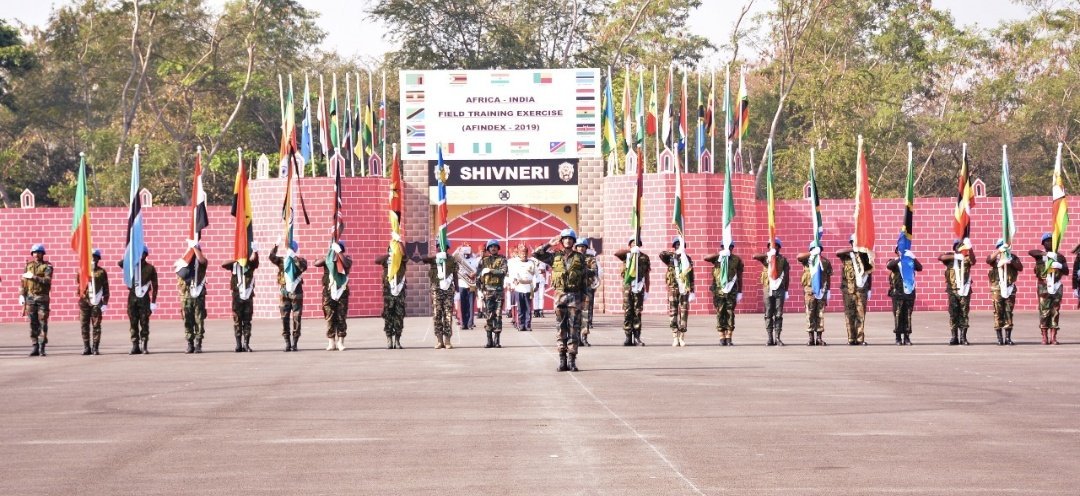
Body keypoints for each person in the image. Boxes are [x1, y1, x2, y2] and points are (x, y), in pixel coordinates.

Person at [533, 228, 588, 371]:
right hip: (560, 296)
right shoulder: (555, 256)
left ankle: (572, 360)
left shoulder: (580, 257)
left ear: (574, 241)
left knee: (574, 329)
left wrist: (584, 298)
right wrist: (549, 245)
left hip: (575, 296)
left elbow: (584, 279)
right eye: (565, 238)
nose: (568, 241)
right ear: (561, 241)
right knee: (560, 328)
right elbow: (536, 254)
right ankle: (562, 359)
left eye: (570, 239)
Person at [1029, 233, 1069, 345]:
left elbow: (1066, 271)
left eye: (1051, 240)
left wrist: (1059, 265)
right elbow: (1031, 252)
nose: (1049, 243)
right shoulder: (1039, 256)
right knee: (1044, 312)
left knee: (1055, 311)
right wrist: (1047, 254)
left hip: (1056, 286)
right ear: (1043, 243)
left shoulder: (1059, 257)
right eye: (1047, 241)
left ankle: (1053, 337)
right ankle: (1044, 337)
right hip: (1043, 286)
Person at [269, 241, 308, 352]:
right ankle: (287, 342)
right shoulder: (282, 260)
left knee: (297, 317)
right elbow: (271, 257)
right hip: (284, 292)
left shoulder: (301, 260)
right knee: (284, 318)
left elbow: (302, 267)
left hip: (296, 292)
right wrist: (276, 246)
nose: (289, 250)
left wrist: (294, 257)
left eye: (291, 248)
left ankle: (295, 343)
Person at [118, 247, 159, 355]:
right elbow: (120, 263)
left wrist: (153, 302)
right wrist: (130, 256)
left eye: (143, 254)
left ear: (146, 255)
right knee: (133, 323)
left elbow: (155, 285)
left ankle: (144, 345)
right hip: (132, 299)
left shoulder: (150, 268)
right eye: (139, 254)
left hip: (144, 299)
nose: (141, 256)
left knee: (144, 322)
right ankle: (135, 345)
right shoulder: (131, 266)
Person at [315, 241, 353, 351]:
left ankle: (340, 342)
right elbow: (316, 263)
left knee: (341, 317)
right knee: (330, 317)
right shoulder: (328, 259)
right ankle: (331, 342)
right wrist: (330, 254)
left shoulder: (346, 259)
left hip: (342, 291)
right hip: (328, 292)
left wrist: (339, 252)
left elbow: (347, 264)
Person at [704, 241, 743, 346]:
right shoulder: (718, 258)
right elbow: (706, 258)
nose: (728, 249)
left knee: (730, 313)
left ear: (732, 247)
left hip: (731, 291)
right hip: (718, 291)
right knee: (720, 312)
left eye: (730, 247)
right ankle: (721, 336)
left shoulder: (736, 260)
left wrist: (740, 292)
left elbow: (740, 276)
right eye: (725, 247)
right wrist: (720, 253)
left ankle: (729, 337)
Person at [220, 247, 259, 352]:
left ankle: (246, 344)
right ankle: (238, 344)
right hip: (237, 298)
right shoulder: (234, 265)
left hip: (248, 297)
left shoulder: (250, 265)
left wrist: (255, 251)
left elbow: (256, 262)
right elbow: (223, 264)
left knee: (247, 321)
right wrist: (237, 259)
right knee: (237, 321)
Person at [837, 235, 874, 346]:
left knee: (860, 315)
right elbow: (838, 252)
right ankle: (851, 339)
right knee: (849, 315)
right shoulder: (846, 256)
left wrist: (869, 289)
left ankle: (860, 339)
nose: (856, 243)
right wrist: (853, 249)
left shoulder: (865, 257)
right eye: (854, 242)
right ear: (851, 242)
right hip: (848, 290)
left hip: (861, 290)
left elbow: (869, 273)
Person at [752, 238, 790, 346]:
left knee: (778, 314)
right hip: (768, 288)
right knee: (768, 313)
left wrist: (786, 290)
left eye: (775, 246)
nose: (773, 247)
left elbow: (787, 276)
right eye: (770, 246)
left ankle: (777, 337)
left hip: (780, 289)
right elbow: (754, 256)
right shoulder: (766, 258)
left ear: (779, 247)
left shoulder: (783, 260)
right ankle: (770, 338)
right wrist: (768, 254)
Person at [659, 237, 695, 347]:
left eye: (681, 245)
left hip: (684, 289)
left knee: (684, 313)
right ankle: (675, 336)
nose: (679, 247)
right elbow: (661, 254)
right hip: (673, 289)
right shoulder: (670, 259)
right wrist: (673, 253)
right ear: (674, 246)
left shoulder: (687, 259)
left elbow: (691, 276)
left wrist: (692, 291)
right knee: (673, 312)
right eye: (677, 245)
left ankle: (682, 336)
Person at [615, 238, 651, 346]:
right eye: (632, 243)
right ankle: (627, 337)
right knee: (627, 312)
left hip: (639, 287)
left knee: (637, 312)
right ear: (630, 244)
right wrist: (630, 251)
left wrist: (647, 290)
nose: (635, 244)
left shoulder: (644, 257)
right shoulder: (626, 255)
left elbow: (647, 275)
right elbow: (617, 253)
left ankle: (637, 337)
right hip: (627, 287)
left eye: (637, 243)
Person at [938, 239, 975, 345]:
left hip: (965, 290)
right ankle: (954, 337)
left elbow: (973, 261)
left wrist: (970, 248)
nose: (961, 248)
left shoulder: (967, 258)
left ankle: (963, 337)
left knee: (964, 313)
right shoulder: (950, 258)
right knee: (953, 314)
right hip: (953, 291)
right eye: (958, 246)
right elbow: (940, 257)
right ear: (954, 248)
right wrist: (955, 256)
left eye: (963, 246)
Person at [422, 242, 459, 349]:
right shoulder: (434, 259)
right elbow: (423, 259)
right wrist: (437, 256)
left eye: (442, 247)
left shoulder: (451, 259)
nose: (439, 248)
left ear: (447, 248)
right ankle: (439, 340)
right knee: (437, 314)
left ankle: (447, 340)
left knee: (448, 315)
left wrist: (456, 287)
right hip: (436, 290)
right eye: (438, 246)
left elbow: (455, 273)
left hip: (448, 290)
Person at [886, 243, 924, 346]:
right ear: (897, 251)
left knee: (907, 315)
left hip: (909, 292)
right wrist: (900, 258)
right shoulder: (893, 261)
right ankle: (898, 337)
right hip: (897, 293)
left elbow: (920, 267)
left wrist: (914, 258)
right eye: (900, 250)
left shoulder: (910, 261)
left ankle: (907, 337)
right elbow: (889, 266)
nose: (902, 251)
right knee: (898, 315)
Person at [20, 244, 53, 357]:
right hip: (30, 298)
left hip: (42, 298)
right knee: (33, 323)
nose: (36, 255)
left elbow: (47, 280)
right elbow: (23, 282)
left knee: (42, 323)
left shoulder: (47, 266)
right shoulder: (28, 266)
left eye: (39, 252)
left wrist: (33, 277)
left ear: (42, 254)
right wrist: (21, 296)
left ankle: (42, 347)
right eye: (34, 252)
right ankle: (35, 346)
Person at [988, 239, 1023, 345]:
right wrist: (999, 251)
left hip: (1009, 288)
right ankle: (999, 338)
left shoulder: (1013, 257)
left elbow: (1020, 267)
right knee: (998, 312)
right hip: (997, 289)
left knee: (1008, 312)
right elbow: (988, 260)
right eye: (1001, 247)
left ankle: (1008, 338)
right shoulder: (995, 257)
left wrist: (1011, 260)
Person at [796, 242, 831, 346]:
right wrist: (811, 253)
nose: (817, 250)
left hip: (821, 291)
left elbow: (828, 277)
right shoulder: (807, 260)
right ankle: (811, 338)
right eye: (815, 248)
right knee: (810, 314)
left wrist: (829, 291)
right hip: (809, 291)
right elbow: (799, 257)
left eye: (819, 248)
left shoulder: (825, 262)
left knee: (820, 314)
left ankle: (819, 338)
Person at [175, 243, 208, 354]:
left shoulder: (201, 263)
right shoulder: (183, 263)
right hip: (186, 297)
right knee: (187, 321)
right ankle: (190, 344)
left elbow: (202, 260)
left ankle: (198, 344)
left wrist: (195, 247)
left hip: (198, 296)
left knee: (199, 320)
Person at [77, 249, 110, 355]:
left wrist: (105, 302)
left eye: (95, 257)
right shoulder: (82, 270)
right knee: (84, 325)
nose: (93, 259)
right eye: (91, 257)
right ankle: (86, 347)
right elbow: (79, 283)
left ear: (98, 259)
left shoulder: (101, 272)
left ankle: (95, 348)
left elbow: (106, 288)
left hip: (96, 301)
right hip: (84, 301)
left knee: (96, 325)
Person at [376, 243, 408, 349]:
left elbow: (404, 255)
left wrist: (399, 243)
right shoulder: (386, 259)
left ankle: (398, 340)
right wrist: (389, 255)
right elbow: (377, 260)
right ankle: (389, 339)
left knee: (399, 316)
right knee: (388, 315)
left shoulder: (402, 259)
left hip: (399, 292)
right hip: (388, 292)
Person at [479, 239, 509, 348]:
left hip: (498, 291)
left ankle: (497, 340)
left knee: (498, 316)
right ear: (488, 249)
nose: (493, 248)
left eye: (495, 246)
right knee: (488, 316)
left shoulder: (502, 259)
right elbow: (479, 276)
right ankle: (489, 340)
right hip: (487, 291)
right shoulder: (483, 261)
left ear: (498, 248)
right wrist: (480, 290)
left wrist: (491, 271)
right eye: (491, 247)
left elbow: (503, 272)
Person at [576, 238, 600, 345]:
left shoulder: (590, 258)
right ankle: (576, 338)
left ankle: (584, 338)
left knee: (586, 313)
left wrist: (583, 270)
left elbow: (594, 271)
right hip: (574, 288)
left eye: (583, 246)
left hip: (587, 288)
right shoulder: (572, 258)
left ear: (586, 248)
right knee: (574, 314)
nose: (581, 248)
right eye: (579, 246)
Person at [508, 244, 537, 332]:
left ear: (527, 253)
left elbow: (536, 275)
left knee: (528, 308)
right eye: (522, 253)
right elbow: (512, 275)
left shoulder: (532, 263)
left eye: (525, 253)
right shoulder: (515, 264)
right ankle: (521, 325)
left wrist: (535, 285)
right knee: (520, 309)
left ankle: (527, 325)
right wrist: (514, 281)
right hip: (519, 288)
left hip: (529, 288)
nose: (524, 255)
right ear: (519, 254)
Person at [452, 243, 479, 330]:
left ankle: (470, 323)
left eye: (468, 249)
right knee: (462, 304)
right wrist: (458, 249)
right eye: (464, 249)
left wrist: (474, 273)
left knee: (471, 305)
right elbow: (452, 258)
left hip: (471, 285)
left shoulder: (474, 259)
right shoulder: (459, 259)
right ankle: (463, 323)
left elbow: (478, 270)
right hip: (462, 284)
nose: (466, 251)